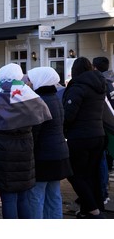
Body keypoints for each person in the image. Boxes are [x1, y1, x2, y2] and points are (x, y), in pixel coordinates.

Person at [0, 63, 52, 219]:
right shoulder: (28, 93)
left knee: (8, 199)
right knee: (24, 197)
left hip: (2, 151)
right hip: (25, 149)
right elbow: (43, 115)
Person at [26, 67, 73, 219]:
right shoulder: (55, 98)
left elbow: (35, 132)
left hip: (43, 156)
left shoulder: (40, 102)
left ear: (40, 81)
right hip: (58, 154)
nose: (29, 83)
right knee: (54, 195)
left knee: (36, 196)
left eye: (31, 81)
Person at [63, 57, 106, 219]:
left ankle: (93, 210)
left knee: (74, 173)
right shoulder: (99, 85)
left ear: (75, 71)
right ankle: (91, 209)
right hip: (98, 135)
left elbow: (69, 115)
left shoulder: (78, 87)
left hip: (80, 137)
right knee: (90, 174)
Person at [92, 56, 114, 204]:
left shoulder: (101, 83)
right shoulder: (111, 82)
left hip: (105, 127)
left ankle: (103, 193)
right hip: (109, 126)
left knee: (103, 160)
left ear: (94, 67)